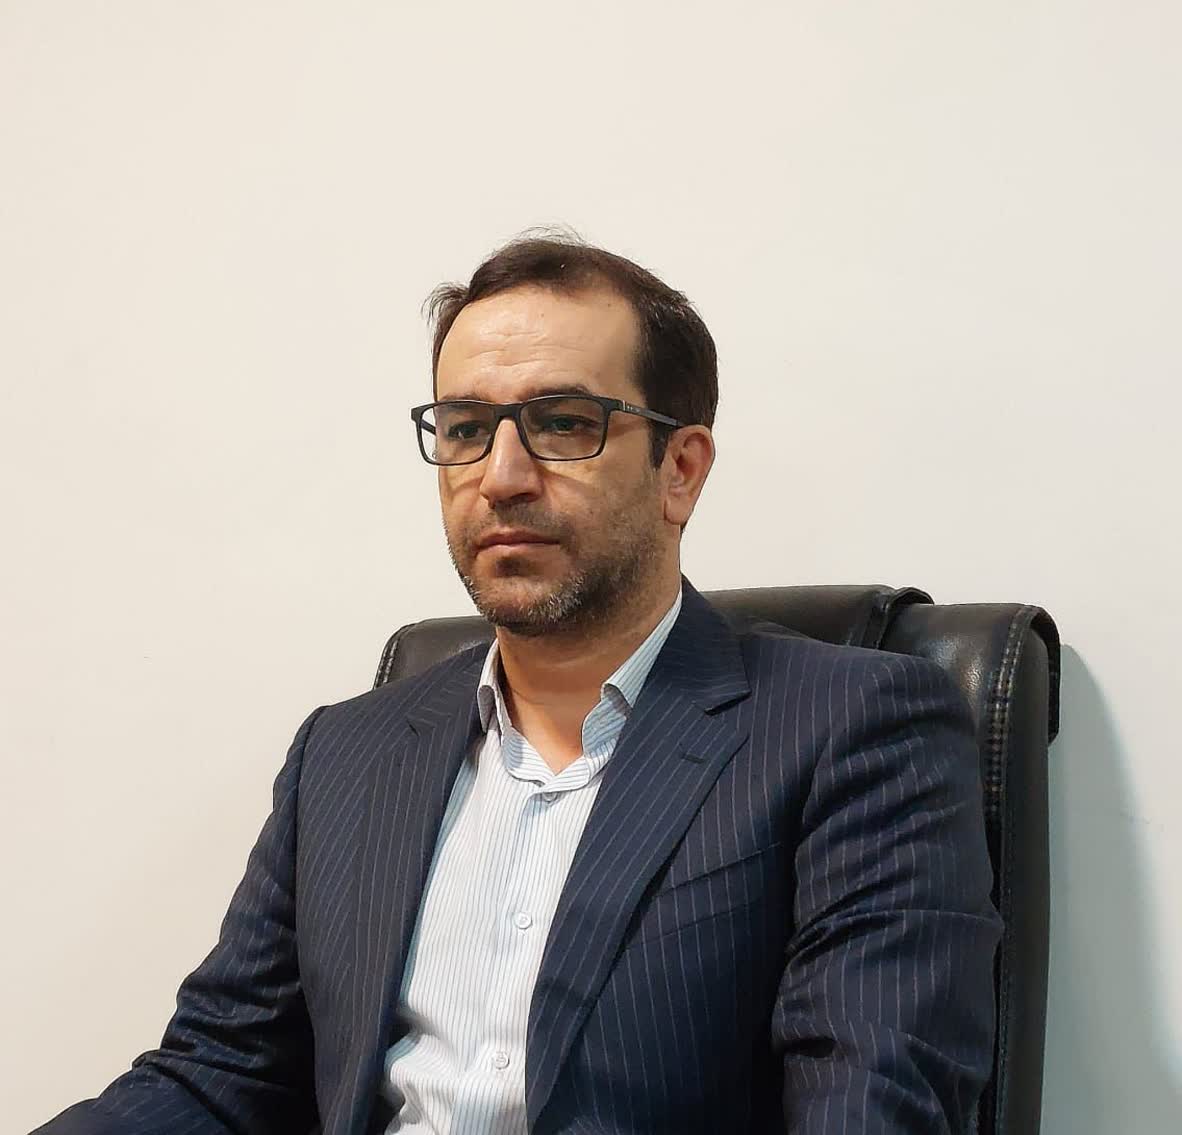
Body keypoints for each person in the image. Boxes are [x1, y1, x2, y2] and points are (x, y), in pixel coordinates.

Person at [35, 234, 1002, 1135]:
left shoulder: (853, 727)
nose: (500, 476)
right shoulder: (346, 752)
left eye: (563, 423)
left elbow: (871, 1101)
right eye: (465, 428)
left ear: (680, 468)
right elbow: (218, 1073)